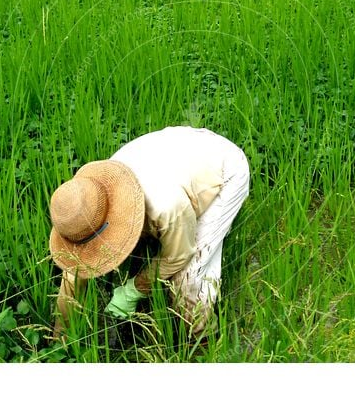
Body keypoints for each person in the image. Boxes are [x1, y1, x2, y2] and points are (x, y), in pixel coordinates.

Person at [49, 126, 250, 338]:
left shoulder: (165, 206)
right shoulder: (84, 205)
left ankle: (202, 344)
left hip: (223, 167)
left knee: (186, 279)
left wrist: (134, 289)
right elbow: (74, 274)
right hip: (170, 154)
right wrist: (60, 341)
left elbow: (179, 255)